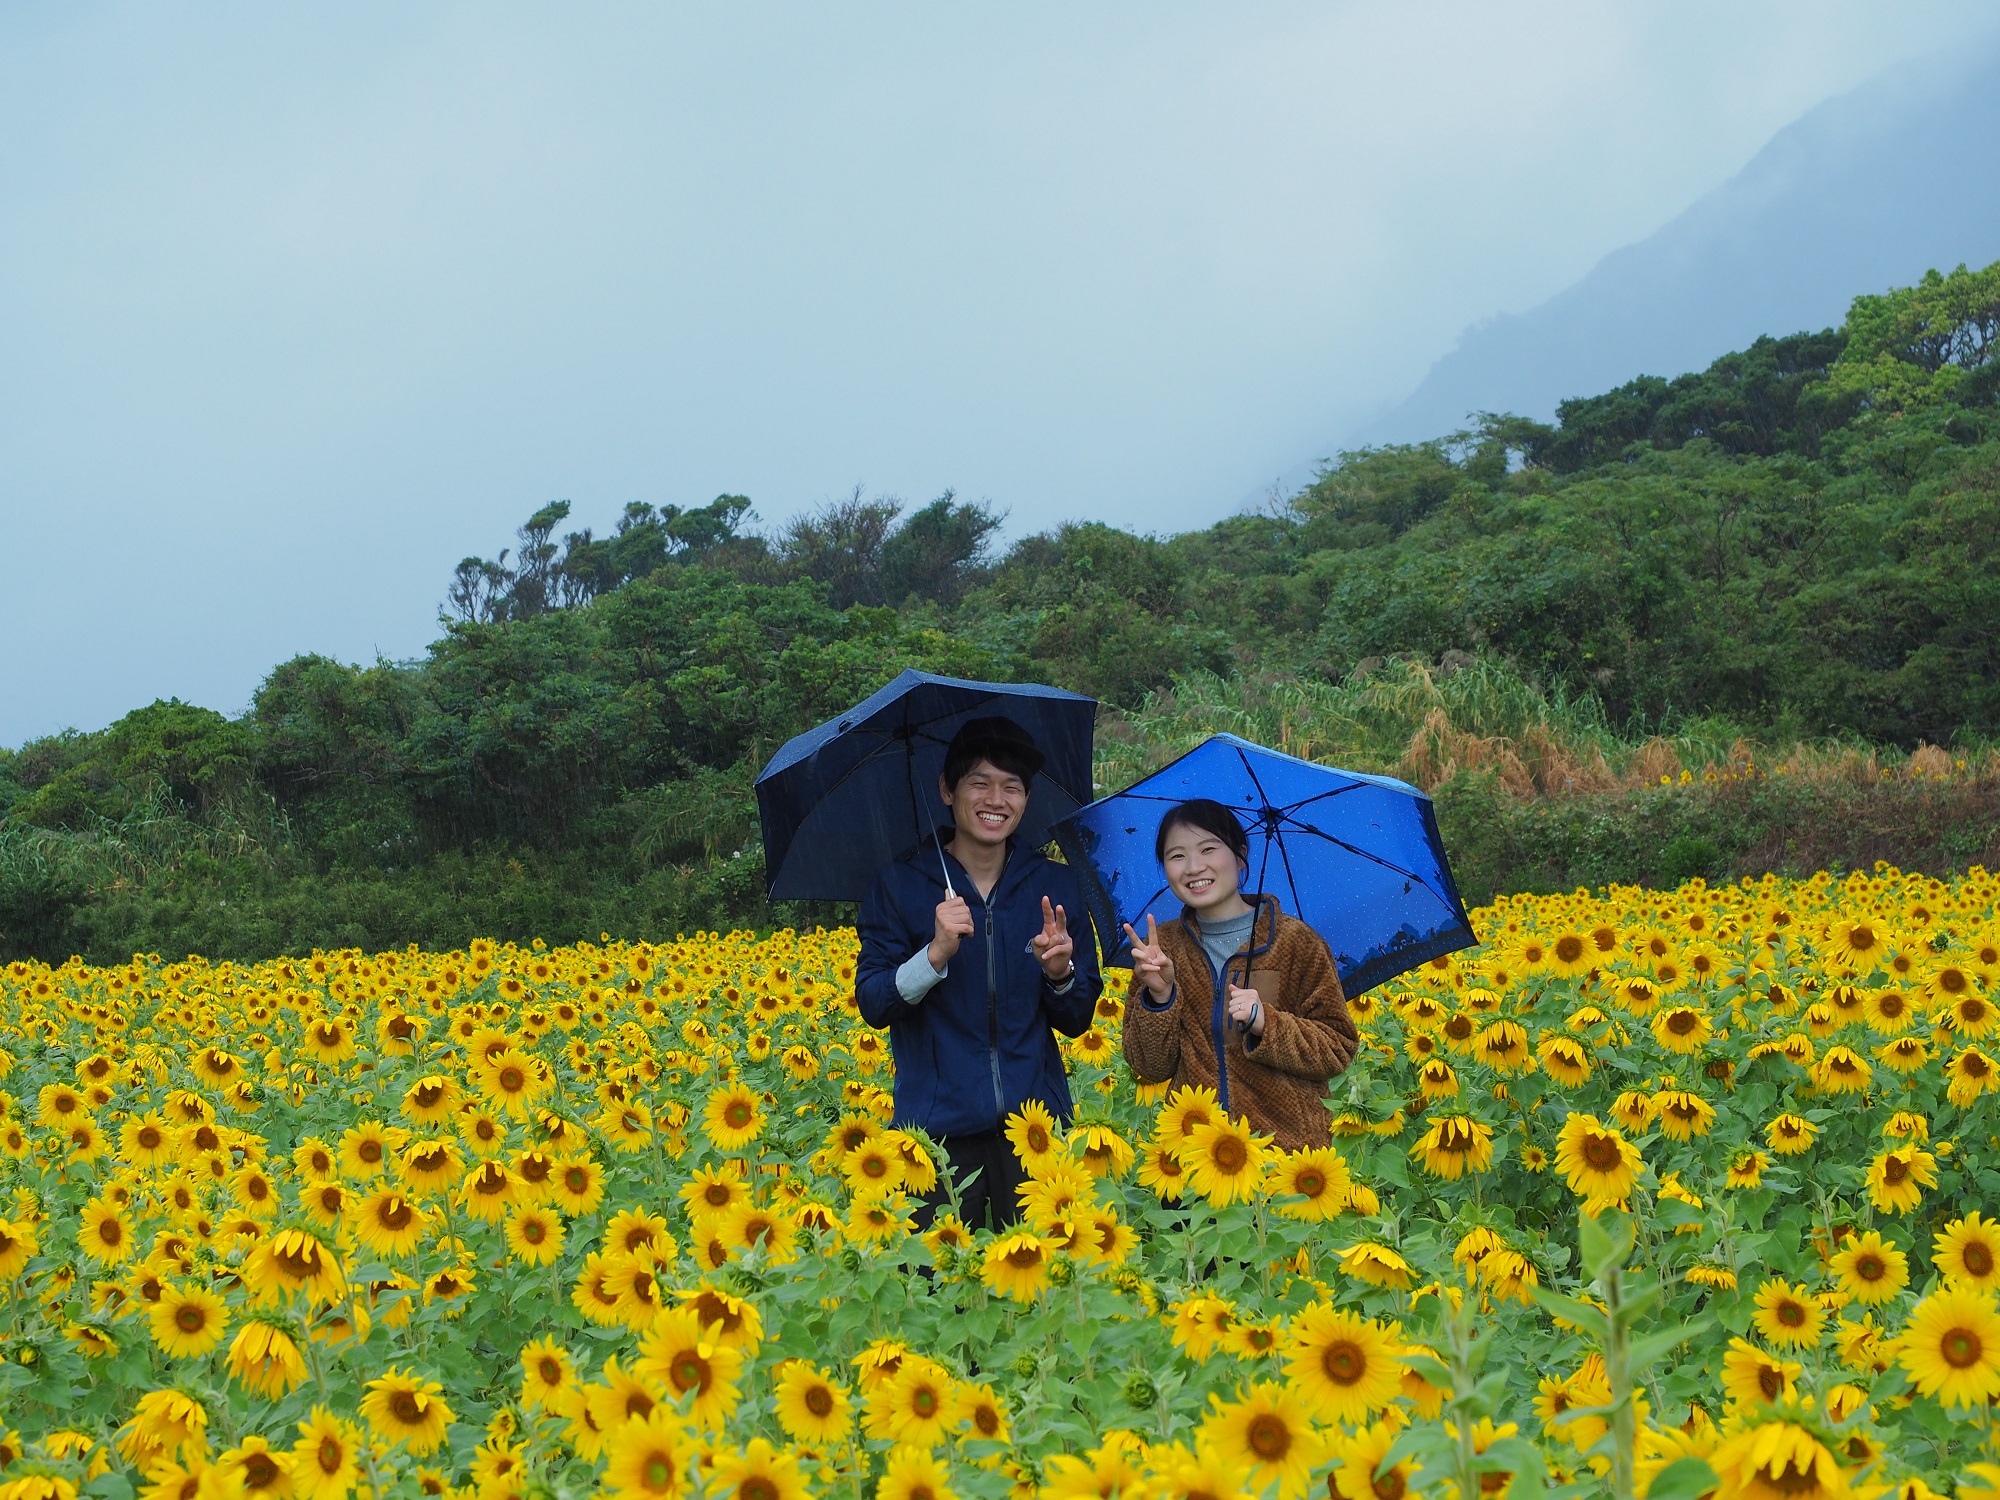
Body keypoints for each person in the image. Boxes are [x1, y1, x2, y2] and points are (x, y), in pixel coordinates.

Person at [856, 715, 1102, 1230]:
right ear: (947, 790)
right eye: (980, 783)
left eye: (1012, 786)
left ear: (1027, 799)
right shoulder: (898, 884)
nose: (997, 799)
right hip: (933, 1134)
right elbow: (875, 1003)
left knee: (1047, 1288)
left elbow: (1078, 1017)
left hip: (1035, 1126)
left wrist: (1060, 974)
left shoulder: (1057, 885)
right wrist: (934, 955)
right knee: (931, 1291)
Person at [1120, 798, 1358, 1150]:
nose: (1193, 867)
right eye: (1177, 856)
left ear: (1240, 854)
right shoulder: (1160, 947)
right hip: (1195, 1154)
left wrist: (1267, 1023)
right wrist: (1160, 996)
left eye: (1208, 848)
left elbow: (1338, 1047)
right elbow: (1151, 1066)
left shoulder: (1295, 942)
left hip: (1287, 1156)